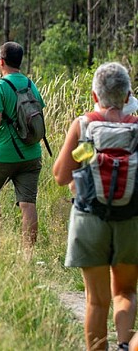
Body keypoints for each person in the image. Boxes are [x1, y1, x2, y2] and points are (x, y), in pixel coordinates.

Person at [53, 62, 138, 351]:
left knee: (96, 301)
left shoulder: (84, 125)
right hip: (130, 220)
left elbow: (60, 175)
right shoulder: (137, 129)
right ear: (127, 96)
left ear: (94, 95)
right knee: (125, 291)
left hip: (89, 220)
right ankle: (126, 345)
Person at [0, 41, 45, 252]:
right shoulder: (29, 84)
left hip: (3, 154)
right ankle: (28, 254)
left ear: (2, 61)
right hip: (31, 153)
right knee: (27, 204)